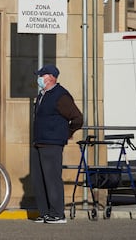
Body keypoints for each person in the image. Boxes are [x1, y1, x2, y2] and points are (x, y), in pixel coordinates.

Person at [31, 64, 83, 224]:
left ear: (50, 77)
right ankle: (45, 212)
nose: (39, 78)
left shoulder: (61, 96)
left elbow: (77, 118)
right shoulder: (42, 95)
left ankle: (57, 213)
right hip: (39, 142)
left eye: (41, 75)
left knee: (52, 178)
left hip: (52, 143)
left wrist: (65, 134)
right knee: (39, 179)